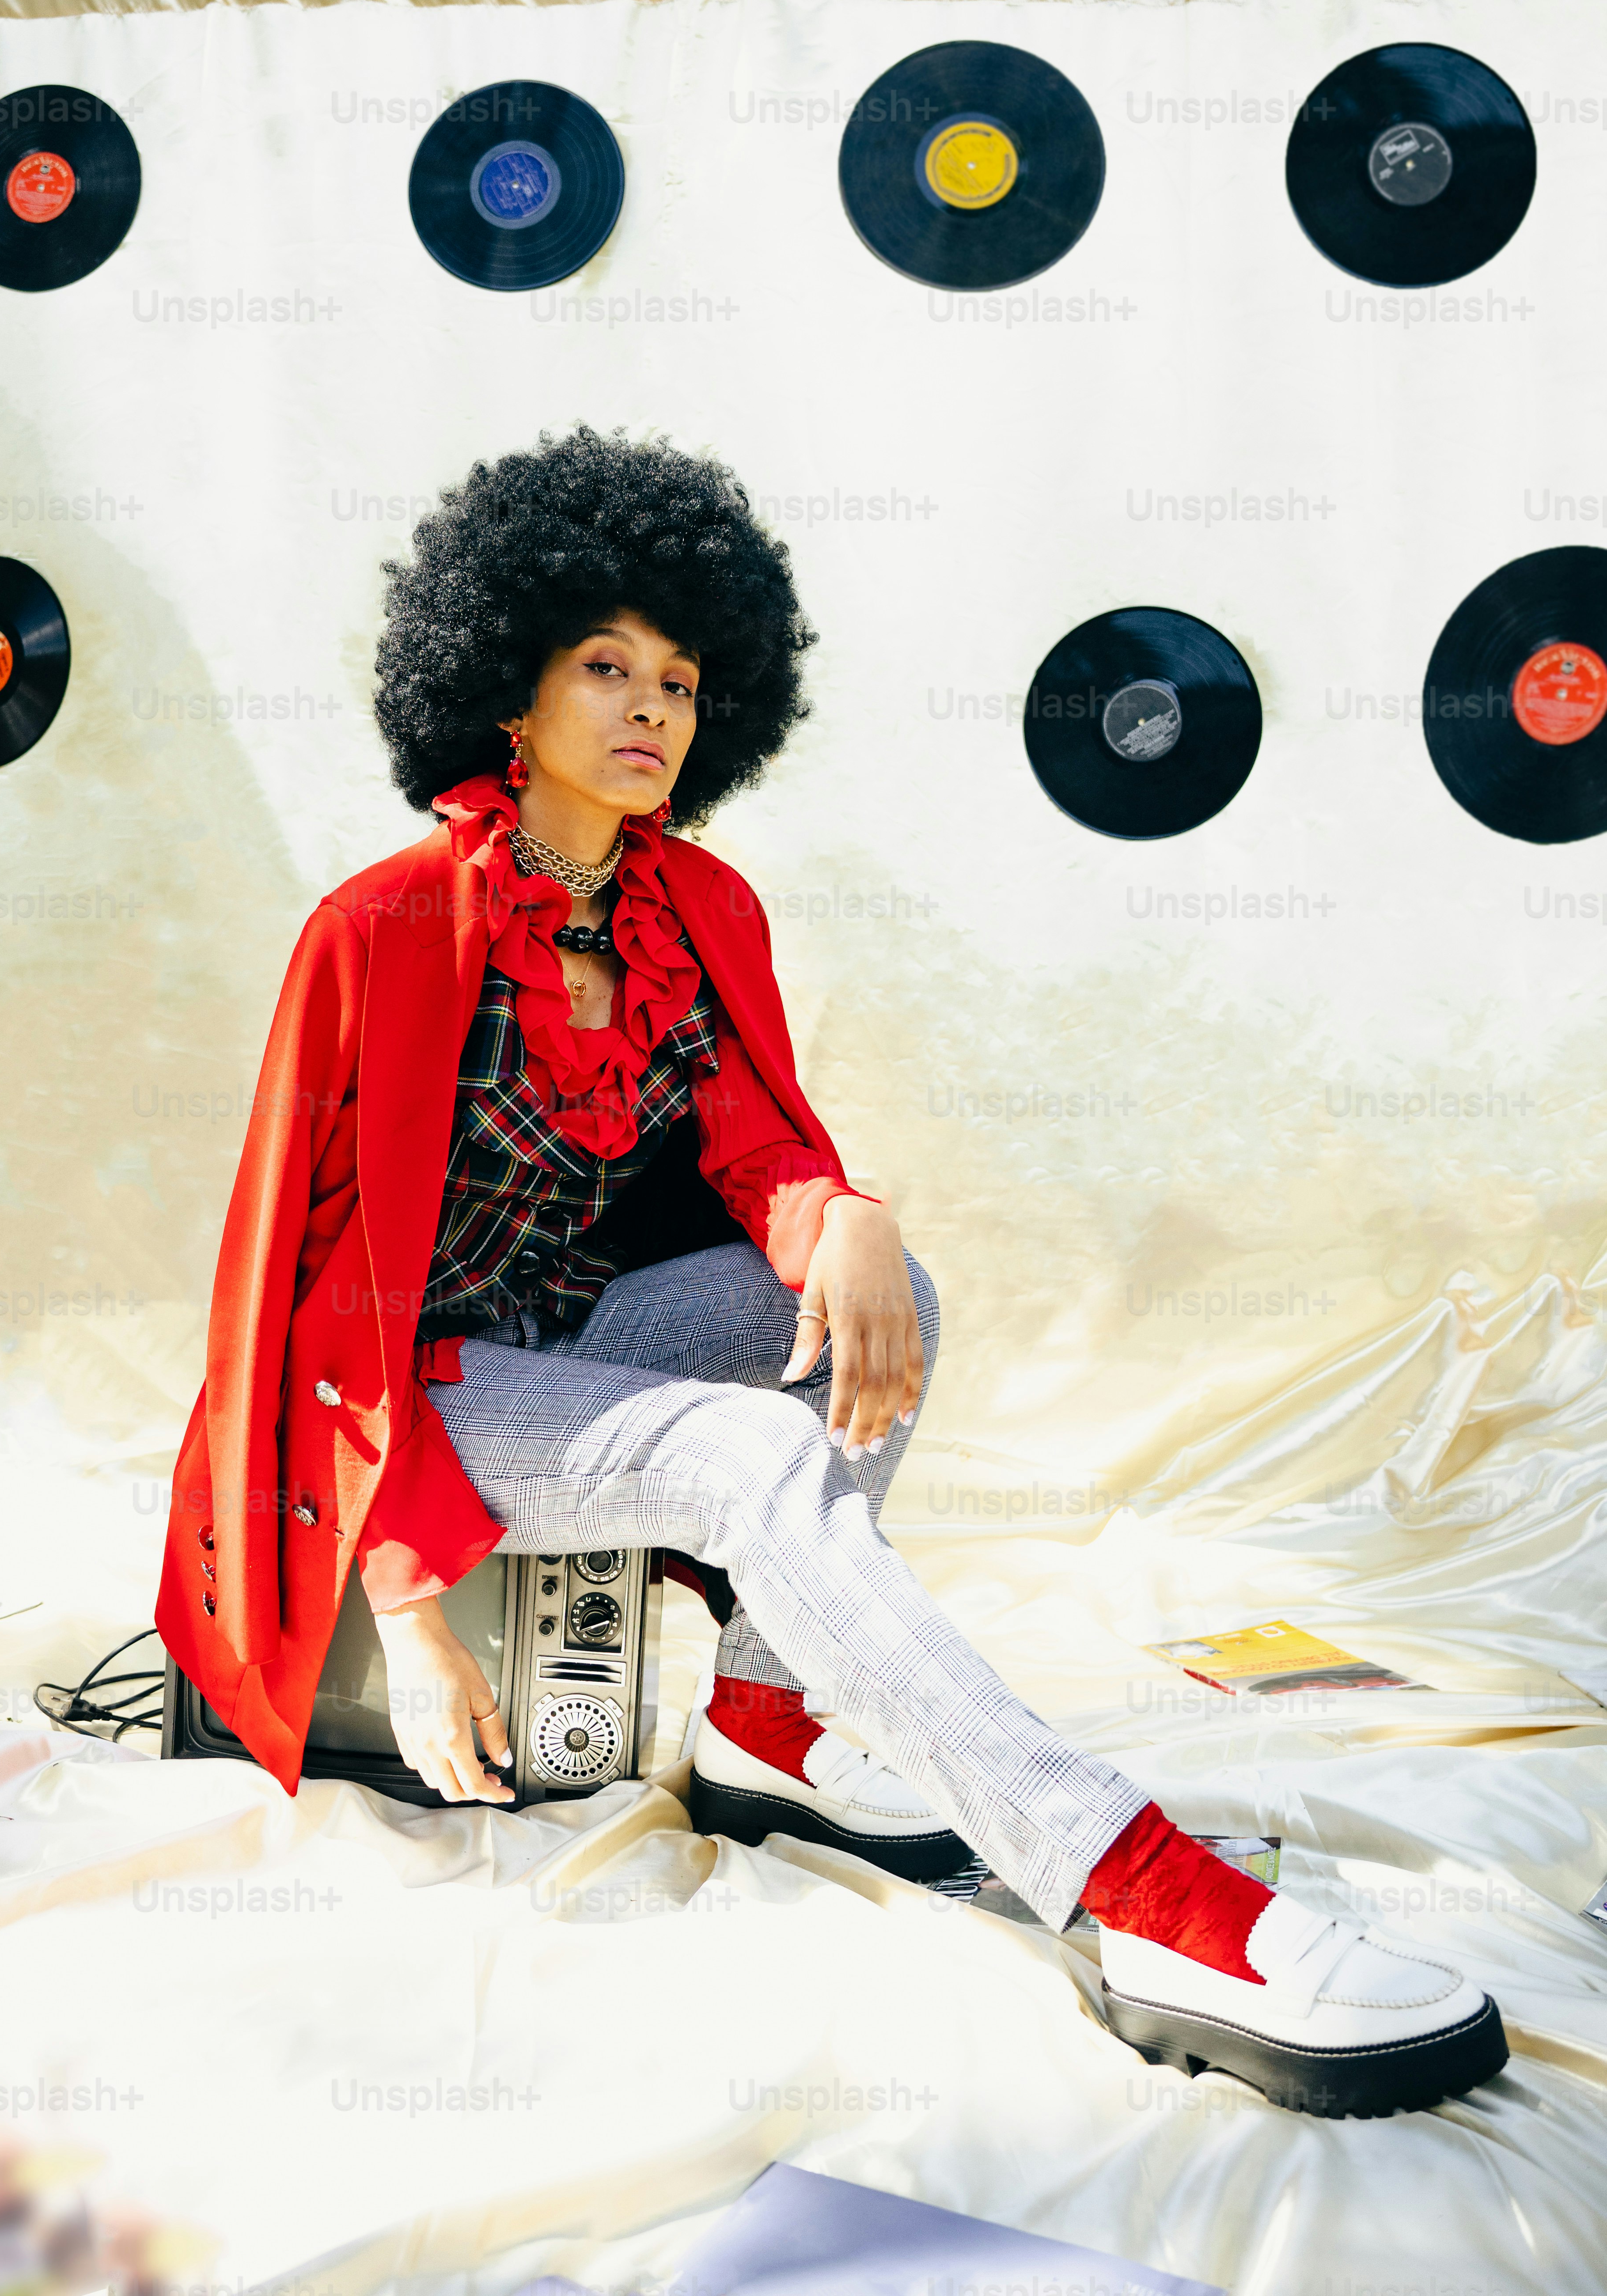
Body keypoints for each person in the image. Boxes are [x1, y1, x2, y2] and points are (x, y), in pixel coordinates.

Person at [156, 426, 1506, 2119]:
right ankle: (1138, 1892)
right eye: (605, 667)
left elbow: (757, 1152)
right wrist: (408, 1612)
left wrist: (847, 1215)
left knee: (895, 1303)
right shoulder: (376, 931)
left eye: (684, 679)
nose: (652, 708)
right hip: (407, 1403)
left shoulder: (699, 906)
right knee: (751, 1452)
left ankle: (768, 1711)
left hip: (579, 1337)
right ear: (506, 690)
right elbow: (300, 1299)